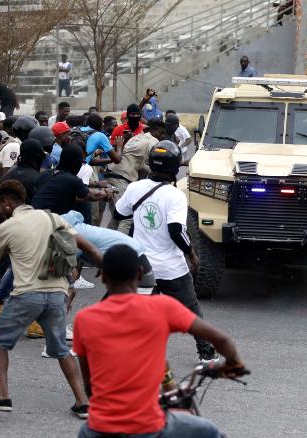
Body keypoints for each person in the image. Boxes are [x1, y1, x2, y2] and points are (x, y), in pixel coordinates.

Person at [73, 244, 245, 437]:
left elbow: (89, 384)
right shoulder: (161, 308)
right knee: (209, 430)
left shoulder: (84, 319)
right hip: (148, 428)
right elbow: (221, 340)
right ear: (139, 273)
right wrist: (233, 364)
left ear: (102, 275)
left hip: (99, 428)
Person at [0, 180, 99, 416]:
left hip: (26, 295)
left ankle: (3, 397)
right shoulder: (53, 218)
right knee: (62, 350)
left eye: (0, 205)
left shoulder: (8, 227)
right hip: (57, 295)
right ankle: (82, 402)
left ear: (7, 202)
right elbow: (83, 245)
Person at [113, 141, 217, 361]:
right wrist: (191, 254)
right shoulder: (175, 195)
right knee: (190, 309)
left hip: (142, 266)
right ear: (174, 167)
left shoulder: (135, 187)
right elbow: (176, 230)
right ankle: (206, 354)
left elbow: (120, 214)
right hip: (171, 267)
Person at [105, 119, 168, 234]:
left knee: (117, 216)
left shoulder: (139, 136)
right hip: (120, 177)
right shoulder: (153, 142)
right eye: (161, 133)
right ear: (153, 131)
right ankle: (121, 249)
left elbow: (138, 162)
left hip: (112, 174)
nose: (163, 136)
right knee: (127, 217)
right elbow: (158, 161)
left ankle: (106, 246)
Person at [32, 144, 113, 215]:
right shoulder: (72, 180)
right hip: (46, 222)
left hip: (32, 217)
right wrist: (106, 192)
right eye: (81, 163)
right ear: (77, 163)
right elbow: (93, 196)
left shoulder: (45, 174)